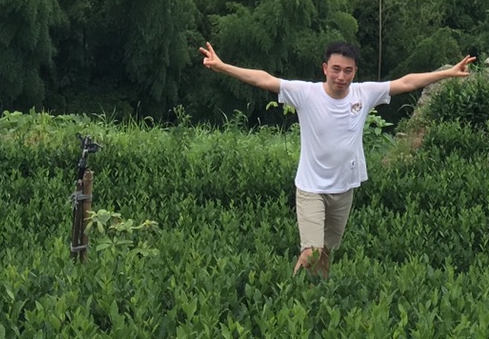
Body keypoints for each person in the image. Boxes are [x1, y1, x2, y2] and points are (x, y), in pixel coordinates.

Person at [200, 38, 475, 278]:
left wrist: (448, 73)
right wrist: (223, 66)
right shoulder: (306, 94)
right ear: (325, 69)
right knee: (311, 251)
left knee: (327, 251)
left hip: (344, 188)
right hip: (311, 187)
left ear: (355, 72)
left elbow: (406, 82)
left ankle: (319, 293)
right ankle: (289, 294)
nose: (341, 76)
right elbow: (264, 79)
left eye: (348, 71)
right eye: (335, 69)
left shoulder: (363, 94)